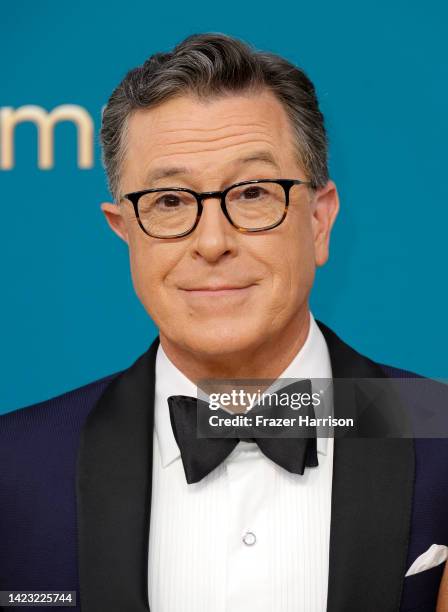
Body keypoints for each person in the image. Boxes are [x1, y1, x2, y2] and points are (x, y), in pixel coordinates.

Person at [0, 33, 447, 612]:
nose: (212, 242)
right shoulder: (14, 465)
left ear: (318, 220)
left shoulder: (441, 429)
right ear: (123, 230)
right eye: (168, 201)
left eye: (254, 192)